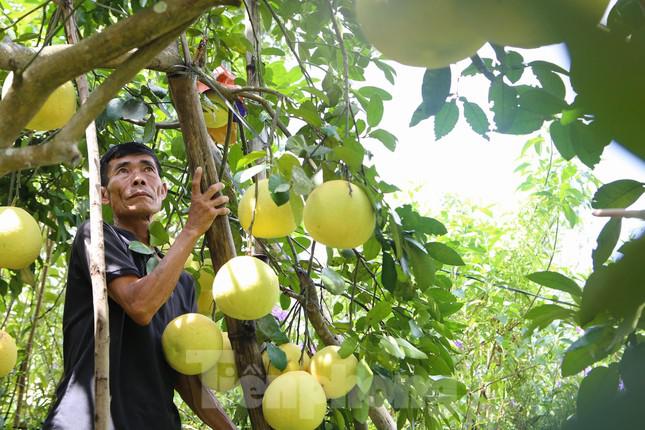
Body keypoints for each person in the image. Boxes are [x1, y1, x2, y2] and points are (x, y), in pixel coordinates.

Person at [43, 142, 236, 429]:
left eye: (148, 169)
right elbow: (140, 305)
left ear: (162, 190)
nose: (138, 177)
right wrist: (193, 228)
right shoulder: (97, 236)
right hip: (86, 420)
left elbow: (184, 376)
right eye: (123, 170)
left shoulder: (183, 283)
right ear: (104, 195)